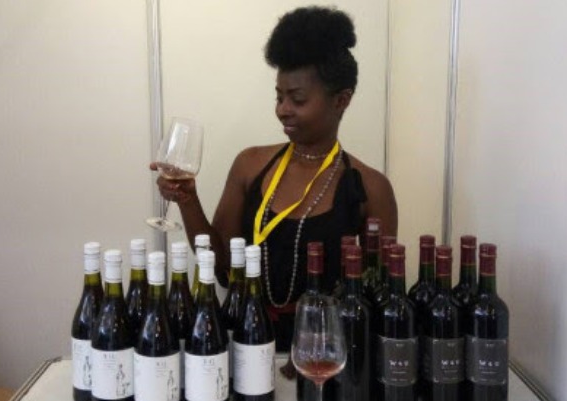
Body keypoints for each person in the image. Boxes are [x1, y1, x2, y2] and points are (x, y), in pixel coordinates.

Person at [151, 5, 397, 354]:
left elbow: (379, 296)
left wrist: (328, 352)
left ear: (341, 100)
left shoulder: (369, 187)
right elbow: (221, 265)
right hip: (245, 340)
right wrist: (188, 201)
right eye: (279, 97)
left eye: (297, 99)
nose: (283, 109)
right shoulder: (250, 165)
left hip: (324, 352)